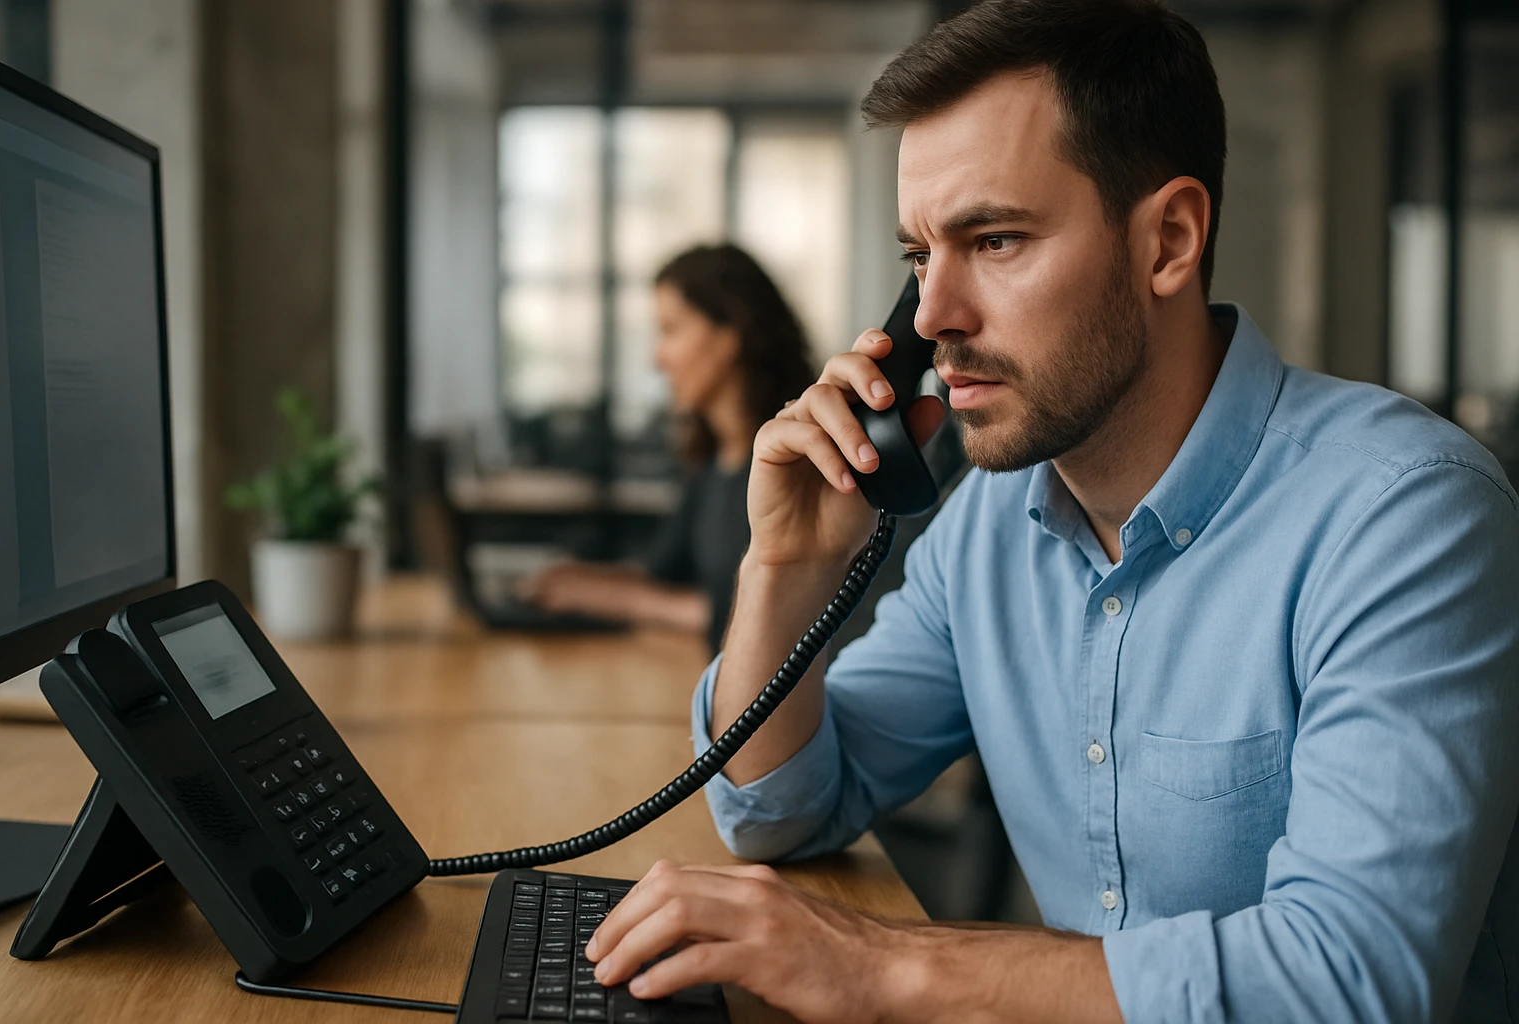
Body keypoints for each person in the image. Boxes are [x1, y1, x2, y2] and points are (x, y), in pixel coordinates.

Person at [583, 2, 1519, 1022]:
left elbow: (1352, 980)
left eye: (994, 240)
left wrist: (886, 964)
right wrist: (784, 568)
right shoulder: (989, 522)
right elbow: (777, 810)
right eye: (917, 257)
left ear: (1169, 239)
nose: (933, 315)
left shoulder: (1407, 518)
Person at [521, 244, 817, 650]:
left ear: (729, 336)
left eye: (671, 330)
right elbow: (662, 576)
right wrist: (581, 579)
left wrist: (615, 598)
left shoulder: (793, 465)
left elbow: (758, 611)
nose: (658, 359)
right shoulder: (714, 465)